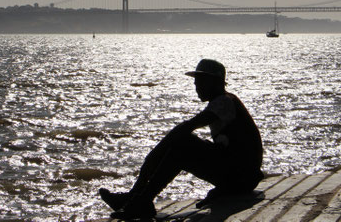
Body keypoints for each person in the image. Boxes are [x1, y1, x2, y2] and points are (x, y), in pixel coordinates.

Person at [99, 59, 264, 220]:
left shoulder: (224, 102)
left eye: (201, 82)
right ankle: (136, 197)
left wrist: (155, 154)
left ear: (216, 82)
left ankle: (141, 199)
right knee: (181, 144)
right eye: (196, 83)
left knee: (183, 143)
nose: (196, 87)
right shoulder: (225, 101)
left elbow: (186, 127)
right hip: (241, 175)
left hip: (242, 177)